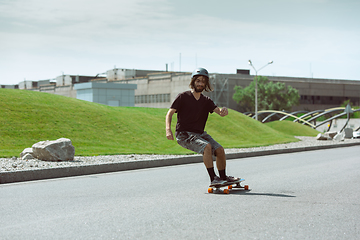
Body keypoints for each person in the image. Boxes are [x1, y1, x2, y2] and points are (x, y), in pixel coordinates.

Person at [165, 67, 240, 187]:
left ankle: (223, 177)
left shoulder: (206, 101)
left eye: (203, 82)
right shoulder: (183, 97)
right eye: (198, 81)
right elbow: (170, 113)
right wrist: (168, 130)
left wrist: (223, 111)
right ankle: (213, 179)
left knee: (219, 150)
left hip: (199, 134)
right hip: (184, 134)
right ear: (193, 81)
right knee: (207, 147)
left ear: (206, 84)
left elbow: (219, 112)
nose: (200, 84)